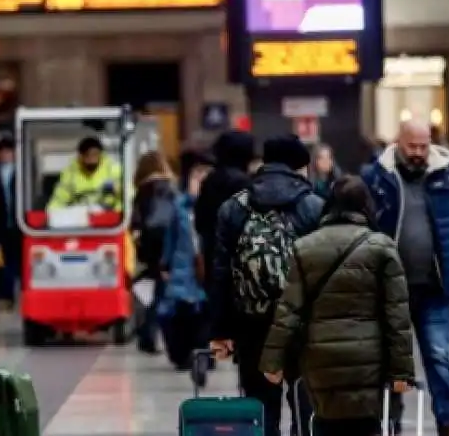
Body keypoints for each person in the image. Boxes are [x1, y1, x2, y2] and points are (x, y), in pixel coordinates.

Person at [259, 175, 415, 436]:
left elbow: (289, 310)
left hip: (321, 359)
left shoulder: (304, 247)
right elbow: (396, 314)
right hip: (368, 359)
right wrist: (402, 371)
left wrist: (272, 362)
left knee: (326, 424)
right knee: (367, 426)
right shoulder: (381, 247)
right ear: (366, 205)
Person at [362, 120, 449, 436]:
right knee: (390, 360)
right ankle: (390, 421)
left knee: (438, 356)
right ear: (399, 143)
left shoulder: (448, 175)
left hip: (435, 287)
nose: (419, 153)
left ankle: (448, 424)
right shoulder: (377, 177)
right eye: (413, 146)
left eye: (424, 146)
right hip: (389, 288)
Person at [210, 134, 324, 436]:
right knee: (305, 403)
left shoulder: (234, 208)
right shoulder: (314, 207)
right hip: (301, 322)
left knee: (259, 406)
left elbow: (221, 272)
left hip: (252, 322)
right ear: (300, 168)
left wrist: (221, 331)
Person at [131, 151, 206, 365]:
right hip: (168, 245)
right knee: (163, 294)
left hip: (151, 246)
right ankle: (153, 335)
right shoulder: (171, 189)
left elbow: (137, 220)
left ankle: (149, 335)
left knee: (158, 293)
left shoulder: (142, 191)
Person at [193, 130, 256, 285]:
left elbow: (200, 221)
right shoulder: (243, 183)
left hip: (212, 256)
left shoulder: (210, 180)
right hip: (238, 261)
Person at [0, 136, 20, 307]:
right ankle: (7, 295)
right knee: (2, 260)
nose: (7, 155)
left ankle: (14, 294)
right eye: (4, 152)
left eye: (10, 151)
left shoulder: (21, 169)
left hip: (18, 222)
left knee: (16, 260)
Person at [48, 137, 123, 211]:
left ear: (101, 154)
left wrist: (118, 190)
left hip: (108, 214)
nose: (92, 159)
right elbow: (59, 199)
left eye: (95, 154)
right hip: (80, 214)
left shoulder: (113, 169)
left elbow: (128, 194)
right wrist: (50, 215)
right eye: (88, 155)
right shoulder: (70, 173)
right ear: (81, 156)